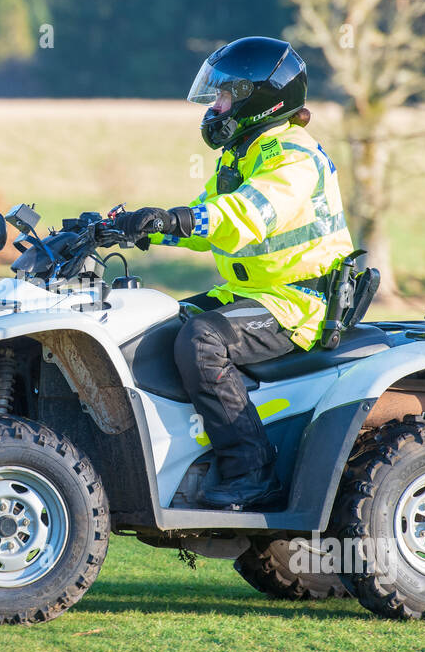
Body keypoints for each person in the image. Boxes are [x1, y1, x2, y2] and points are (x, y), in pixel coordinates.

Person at [114, 36, 354, 511]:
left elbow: (246, 217)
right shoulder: (243, 153)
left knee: (203, 339)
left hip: (296, 303)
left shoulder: (293, 157)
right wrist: (140, 225)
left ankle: (252, 469)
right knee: (155, 322)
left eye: (225, 96)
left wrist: (173, 220)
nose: (216, 106)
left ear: (260, 99)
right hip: (250, 291)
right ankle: (183, 456)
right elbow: (205, 219)